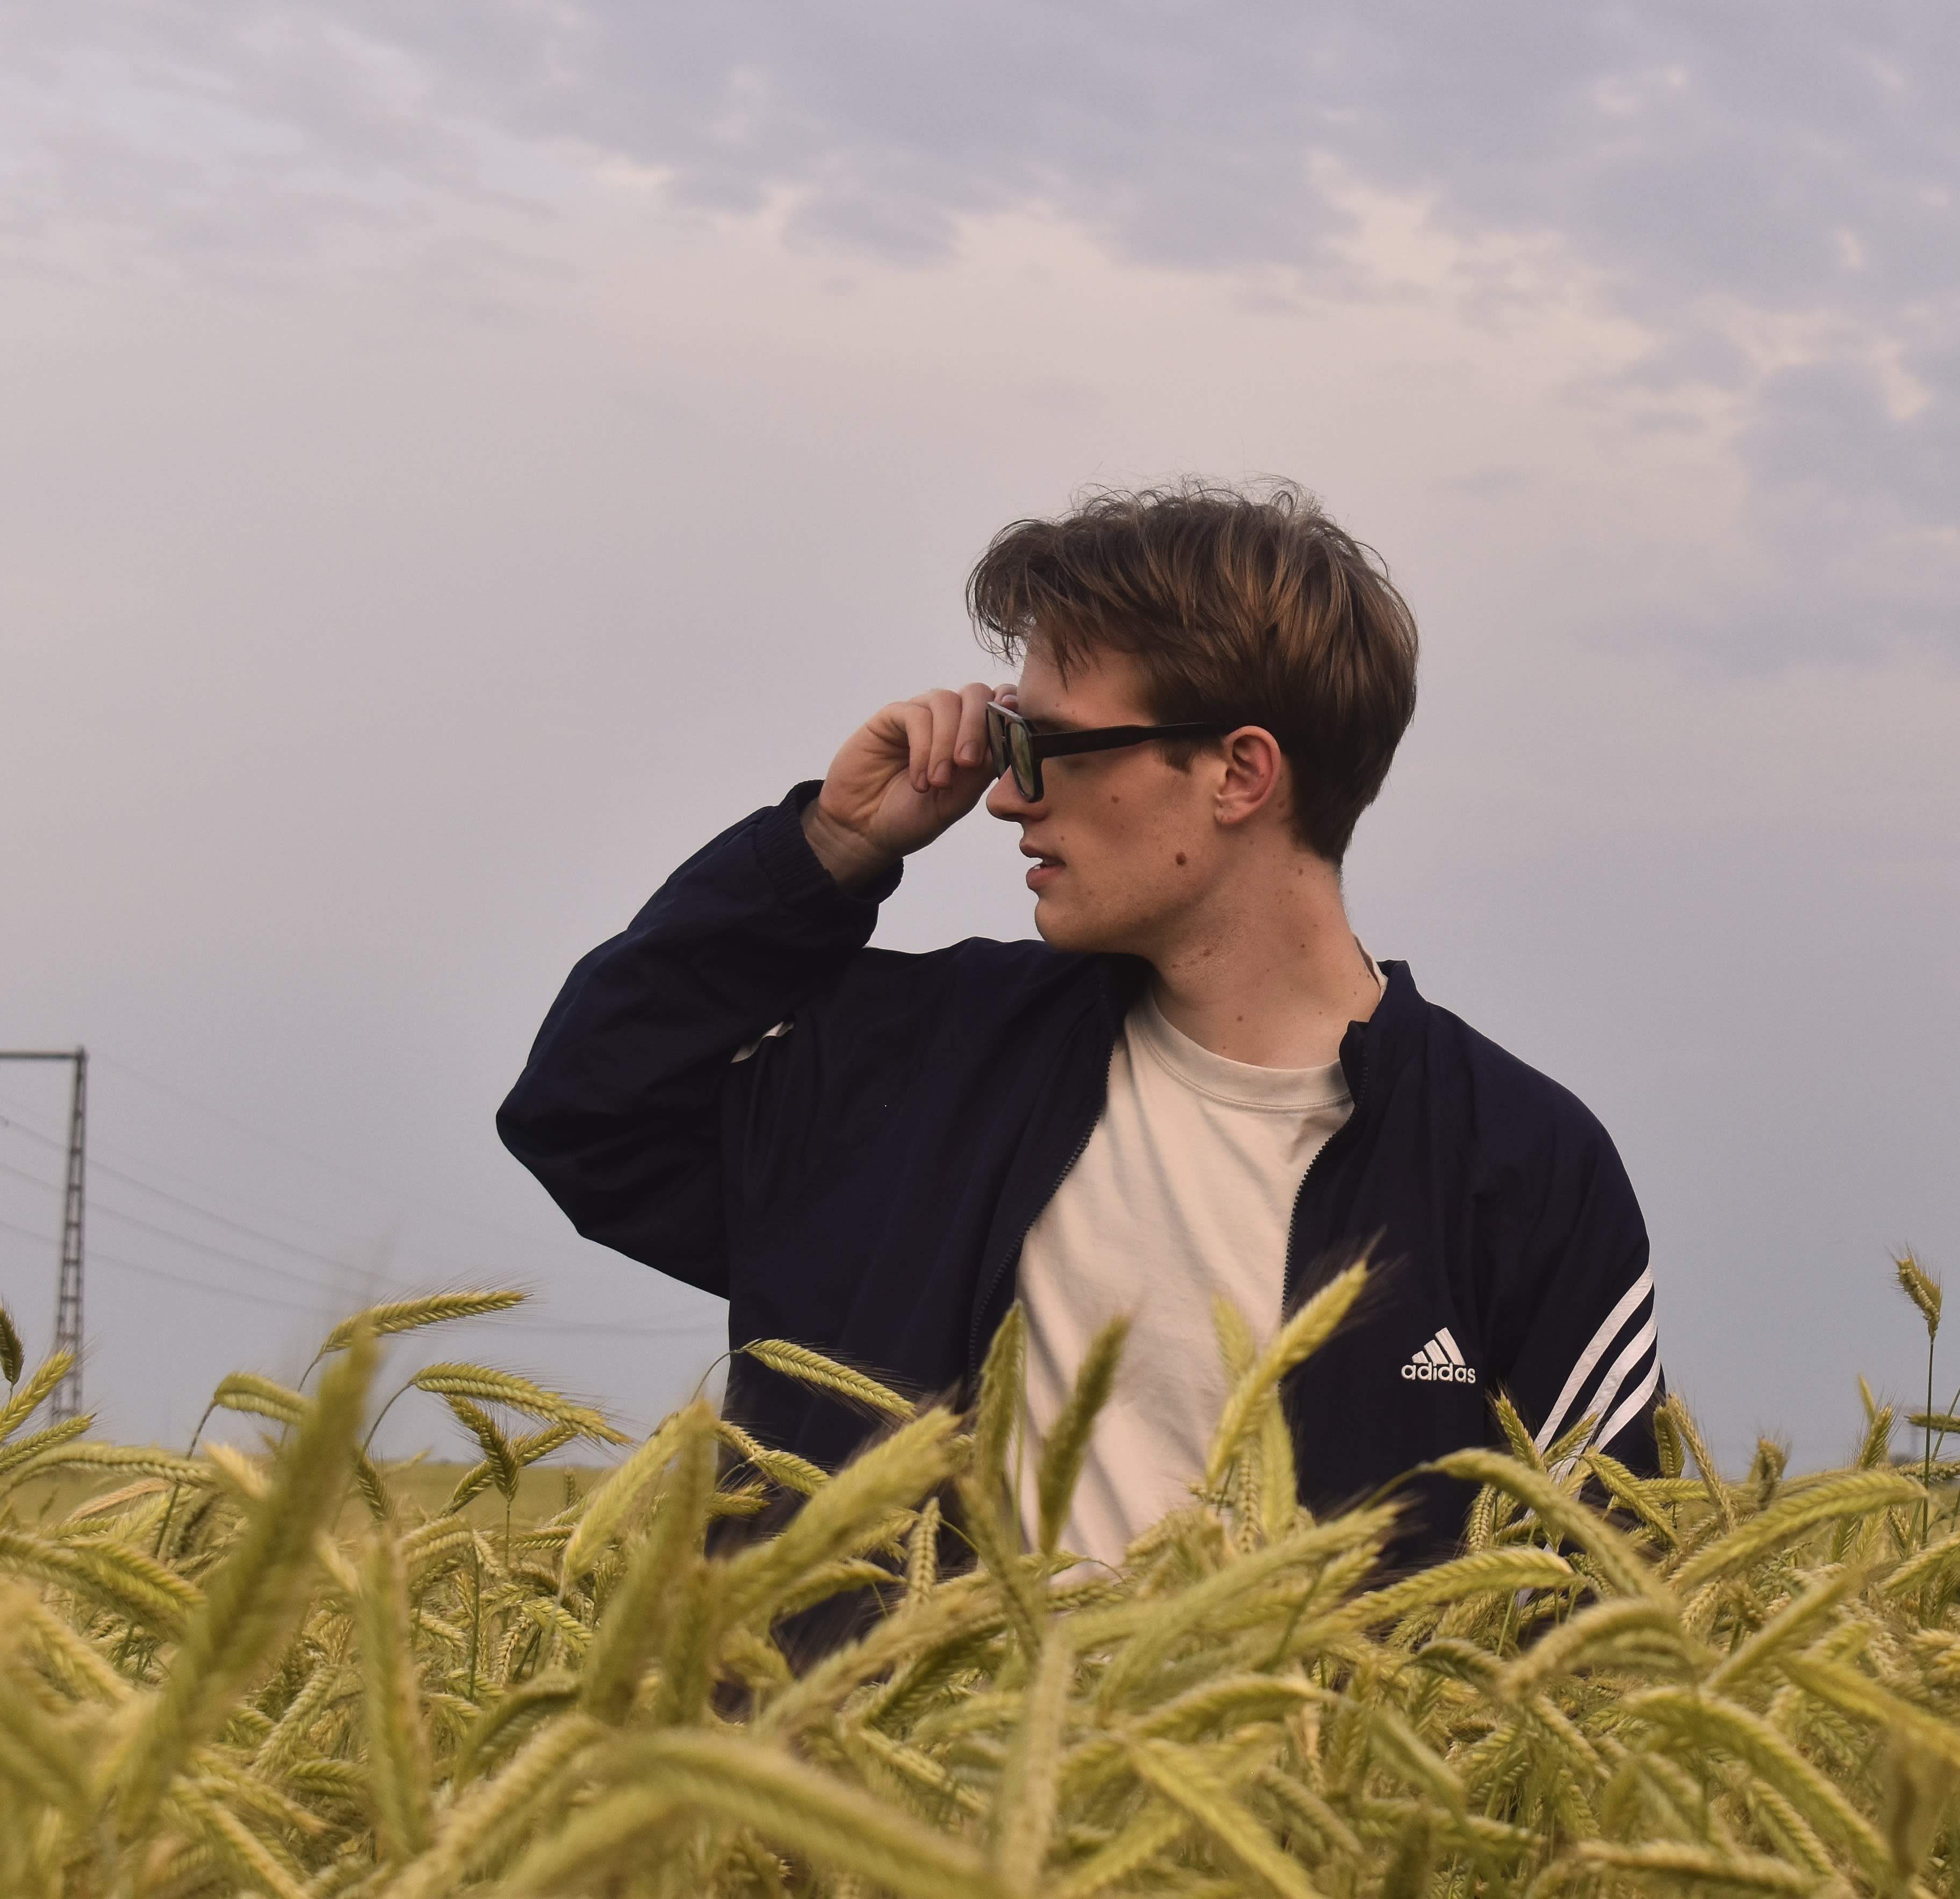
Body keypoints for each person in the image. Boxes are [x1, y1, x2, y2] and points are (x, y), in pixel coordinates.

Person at [500, 483, 1664, 1574]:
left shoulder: (1521, 1168)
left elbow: (1595, 1599)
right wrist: (830, 848)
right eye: (1004, 736)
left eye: (1043, 745)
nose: (1005, 793)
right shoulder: (918, 1060)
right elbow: (591, 1112)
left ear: (1239, 773)